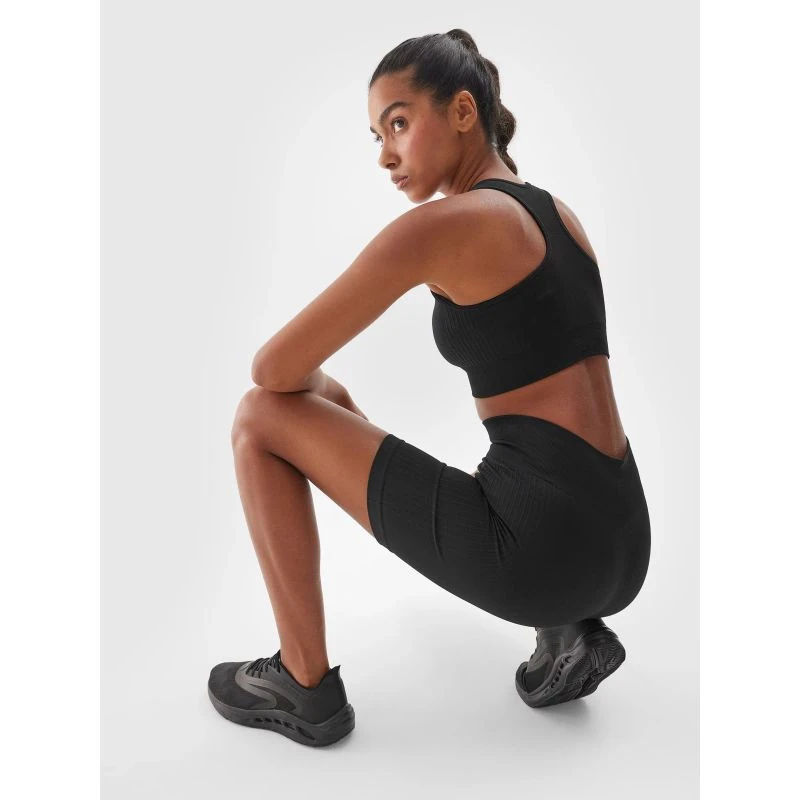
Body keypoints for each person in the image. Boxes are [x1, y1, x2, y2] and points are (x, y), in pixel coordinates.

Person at [207, 28, 651, 747]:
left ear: (464, 111)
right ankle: (567, 628)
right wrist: (325, 400)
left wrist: (313, 391)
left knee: (260, 416)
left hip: (540, 550)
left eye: (399, 123)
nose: (386, 154)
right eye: (378, 135)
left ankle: (304, 685)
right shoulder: (556, 214)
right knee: (316, 403)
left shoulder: (439, 228)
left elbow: (270, 371)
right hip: (625, 541)